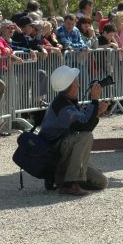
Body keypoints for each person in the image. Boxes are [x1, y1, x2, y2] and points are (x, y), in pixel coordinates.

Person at [39, 65, 110, 196]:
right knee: (85, 136)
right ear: (72, 86)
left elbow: (82, 120)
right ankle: (70, 184)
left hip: (62, 150)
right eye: (76, 81)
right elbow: (85, 126)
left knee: (102, 181)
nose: (78, 85)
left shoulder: (66, 101)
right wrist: (94, 100)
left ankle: (61, 178)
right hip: (55, 150)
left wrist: (97, 112)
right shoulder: (62, 106)